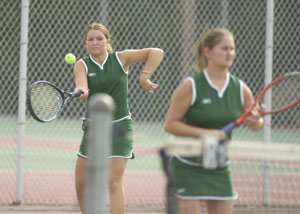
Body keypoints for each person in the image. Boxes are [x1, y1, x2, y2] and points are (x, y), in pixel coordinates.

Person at [164, 28, 264, 214]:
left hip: (219, 167)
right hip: (188, 166)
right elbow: (170, 124)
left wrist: (255, 122)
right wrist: (205, 133)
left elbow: (257, 124)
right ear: (207, 52)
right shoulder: (191, 86)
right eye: (224, 48)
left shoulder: (241, 89)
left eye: (232, 49)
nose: (230, 53)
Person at [73, 22, 164, 214]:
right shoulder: (81, 64)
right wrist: (82, 91)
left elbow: (156, 52)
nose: (95, 42)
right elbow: (81, 85)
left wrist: (144, 77)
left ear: (107, 41)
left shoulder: (121, 58)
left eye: (99, 38)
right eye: (91, 39)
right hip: (93, 129)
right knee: (81, 184)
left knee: (113, 181)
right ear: (86, 43)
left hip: (120, 126)